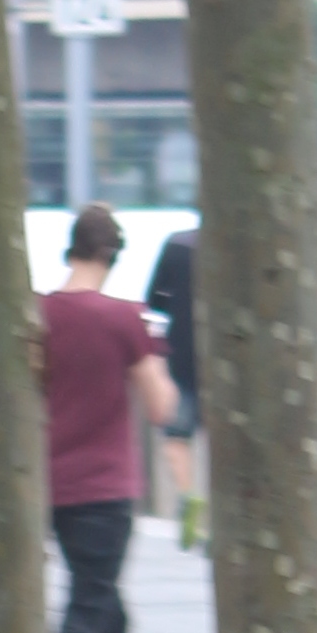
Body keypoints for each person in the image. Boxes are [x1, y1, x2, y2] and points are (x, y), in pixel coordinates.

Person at [40, 201, 189, 633]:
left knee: (108, 621)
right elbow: (161, 408)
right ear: (114, 256)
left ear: (69, 249)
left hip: (53, 486)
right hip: (105, 489)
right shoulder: (124, 319)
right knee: (84, 614)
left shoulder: (39, 312)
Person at [143, 219, 204, 547]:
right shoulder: (234, 250)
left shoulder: (177, 245)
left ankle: (188, 496)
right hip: (223, 357)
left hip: (182, 357)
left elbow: (154, 300)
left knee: (177, 438)